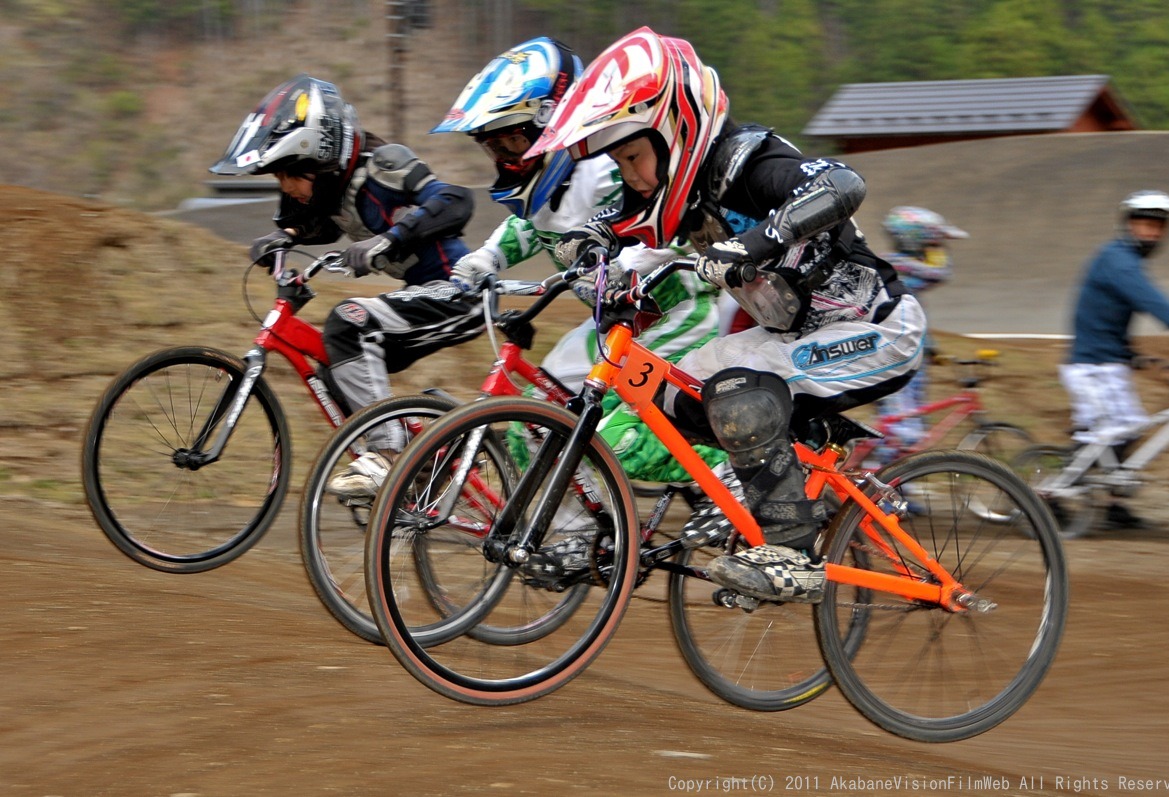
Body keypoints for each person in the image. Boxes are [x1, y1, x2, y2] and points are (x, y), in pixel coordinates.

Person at [526, 28, 926, 601]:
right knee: (675, 394)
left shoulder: (750, 163)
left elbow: (843, 181)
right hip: (794, 338)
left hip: (878, 329)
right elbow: (624, 218)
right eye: (620, 162)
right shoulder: (678, 191)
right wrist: (586, 245)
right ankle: (767, 499)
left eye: (635, 156)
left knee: (738, 391)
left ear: (675, 130)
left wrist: (755, 244)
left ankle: (792, 554)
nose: (634, 175)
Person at [430, 38, 727, 503]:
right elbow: (535, 224)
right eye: (495, 147)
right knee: (533, 420)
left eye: (513, 141)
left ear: (553, 123)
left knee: (609, 440)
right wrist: (486, 259)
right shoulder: (554, 188)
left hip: (677, 315)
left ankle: (733, 467)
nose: (506, 158)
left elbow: (667, 219)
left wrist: (629, 262)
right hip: (612, 327)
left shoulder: (610, 170)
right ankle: (573, 541)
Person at [209, 74, 478, 496]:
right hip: (420, 294)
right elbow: (313, 225)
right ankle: (439, 442)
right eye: (278, 178)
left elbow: (457, 200)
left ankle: (389, 455)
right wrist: (286, 240)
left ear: (320, 160)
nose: (286, 188)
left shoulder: (384, 166)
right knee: (336, 367)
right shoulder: (327, 191)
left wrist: (389, 239)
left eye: (289, 175)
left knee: (348, 322)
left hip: (461, 290)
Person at [1060, 189, 1169, 529]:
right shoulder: (1117, 258)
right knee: (1104, 434)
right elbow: (1142, 293)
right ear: (1129, 226)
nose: (1152, 233)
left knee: (1128, 429)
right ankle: (1049, 496)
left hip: (1107, 361)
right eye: (1146, 225)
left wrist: (1129, 353)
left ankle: (1114, 503)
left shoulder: (1125, 260)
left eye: (1159, 227)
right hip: (1092, 365)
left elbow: (1107, 313)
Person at [872, 206, 968, 460]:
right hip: (897, 358)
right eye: (930, 243)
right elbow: (940, 273)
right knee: (903, 432)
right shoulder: (898, 266)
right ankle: (886, 489)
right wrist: (938, 247)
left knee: (908, 426)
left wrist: (930, 346)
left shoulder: (895, 265)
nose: (933, 249)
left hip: (909, 356)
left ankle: (896, 486)